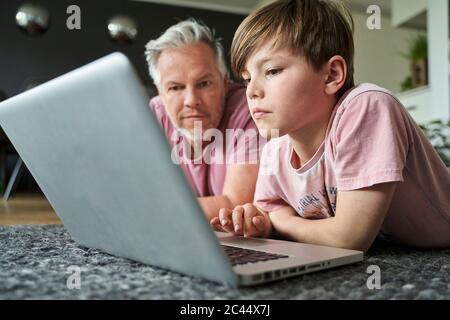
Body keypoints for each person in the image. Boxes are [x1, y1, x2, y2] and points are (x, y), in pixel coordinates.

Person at [211, 0, 450, 251]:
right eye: (247, 79)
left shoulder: (367, 108)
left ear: (332, 74)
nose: (252, 91)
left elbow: (349, 239)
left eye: (272, 71)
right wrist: (258, 222)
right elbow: (268, 208)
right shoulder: (274, 150)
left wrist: (283, 222)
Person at [144, 19, 262, 221]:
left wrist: (153, 211)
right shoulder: (155, 114)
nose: (191, 101)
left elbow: (235, 204)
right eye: (175, 88)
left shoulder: (250, 110)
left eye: (204, 84)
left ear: (224, 83)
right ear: (161, 94)